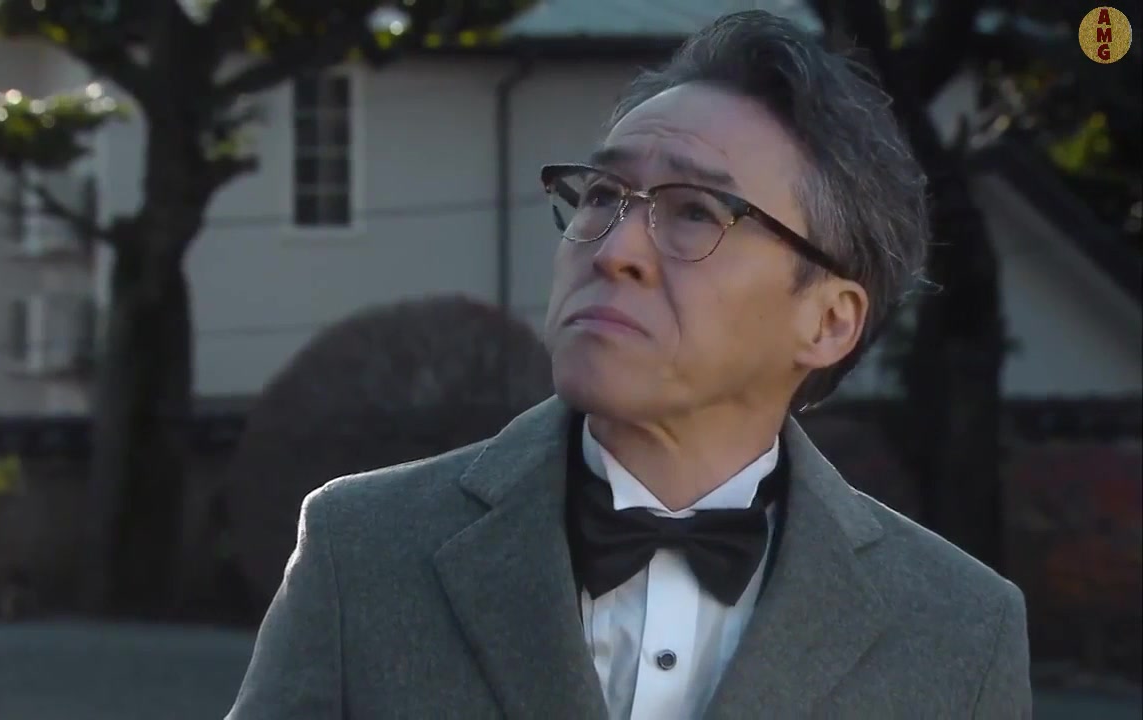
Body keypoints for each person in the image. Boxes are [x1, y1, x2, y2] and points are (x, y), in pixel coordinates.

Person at [226, 11, 1031, 719]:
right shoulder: (363, 552)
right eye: (604, 196)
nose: (615, 250)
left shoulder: (959, 630)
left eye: (695, 212)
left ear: (827, 321)